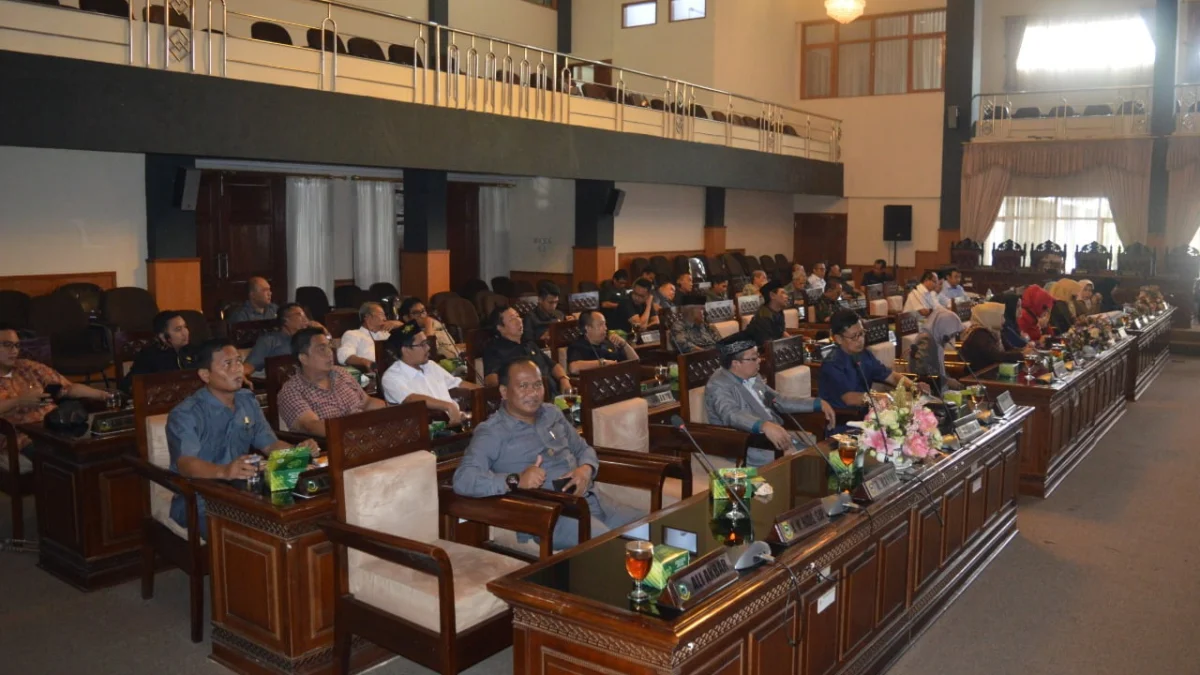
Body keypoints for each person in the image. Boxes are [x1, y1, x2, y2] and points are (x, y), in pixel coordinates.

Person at [452, 359, 643, 549]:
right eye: (523, 386)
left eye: (537, 385)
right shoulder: (492, 431)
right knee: (610, 546)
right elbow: (463, 479)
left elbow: (584, 449)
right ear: (504, 392)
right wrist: (515, 479)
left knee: (646, 527)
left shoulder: (552, 413)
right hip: (551, 515)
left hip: (589, 500)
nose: (533, 393)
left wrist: (585, 469)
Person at [166, 339, 318, 536]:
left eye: (238, 361)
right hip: (201, 500)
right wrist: (225, 471)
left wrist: (298, 451)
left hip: (245, 492)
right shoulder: (187, 413)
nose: (237, 369)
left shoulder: (247, 401)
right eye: (227, 364)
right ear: (205, 375)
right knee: (258, 536)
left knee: (306, 512)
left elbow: (270, 444)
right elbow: (185, 463)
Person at [704, 332, 835, 467]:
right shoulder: (718, 385)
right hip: (748, 445)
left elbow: (778, 400)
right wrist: (763, 425)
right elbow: (731, 415)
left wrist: (817, 403)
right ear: (736, 363)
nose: (759, 360)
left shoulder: (753, 376)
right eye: (754, 358)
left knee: (827, 457)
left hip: (774, 436)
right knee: (811, 466)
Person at [0, 323, 115, 457]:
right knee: (64, 456)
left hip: (56, 428)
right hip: (22, 438)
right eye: (7, 345)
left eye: (17, 345)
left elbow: (69, 388)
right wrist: (19, 401)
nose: (14, 351)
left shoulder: (27, 367)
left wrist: (103, 395)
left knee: (101, 446)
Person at [278, 328, 386, 436]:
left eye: (329, 346)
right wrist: (355, 428)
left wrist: (393, 411)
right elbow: (312, 426)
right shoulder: (292, 391)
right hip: (333, 446)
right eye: (322, 349)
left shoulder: (341, 373)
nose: (330, 352)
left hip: (366, 436)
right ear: (303, 358)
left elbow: (367, 402)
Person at [818, 310, 928, 409]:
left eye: (861, 333)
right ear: (838, 338)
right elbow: (849, 398)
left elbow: (891, 376)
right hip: (843, 421)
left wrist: (913, 386)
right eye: (854, 337)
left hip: (867, 415)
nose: (860, 340)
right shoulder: (832, 363)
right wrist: (877, 397)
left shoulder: (864, 354)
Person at [380, 322, 472, 424]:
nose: (428, 348)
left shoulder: (430, 365)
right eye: (422, 344)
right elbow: (411, 398)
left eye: (426, 343)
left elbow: (458, 384)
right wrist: (448, 406)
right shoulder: (391, 377)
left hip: (457, 421)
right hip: (427, 431)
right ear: (405, 350)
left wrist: (484, 392)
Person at [482, 306, 571, 395]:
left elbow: (553, 365)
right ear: (500, 328)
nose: (519, 321)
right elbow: (491, 379)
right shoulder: (495, 350)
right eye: (512, 319)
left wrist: (564, 379)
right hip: (528, 399)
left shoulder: (529, 343)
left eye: (518, 316)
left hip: (554, 394)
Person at [120, 310, 195, 394]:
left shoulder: (192, 351)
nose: (185, 332)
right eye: (178, 329)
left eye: (185, 327)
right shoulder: (149, 356)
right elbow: (129, 385)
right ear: (163, 337)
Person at [244, 303, 321, 374]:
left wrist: (323, 331)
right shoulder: (269, 341)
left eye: (305, 316)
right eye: (299, 315)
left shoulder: (308, 340)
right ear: (286, 320)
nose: (305, 319)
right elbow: (249, 366)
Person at [959, 302, 1027, 373]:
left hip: (992, 372)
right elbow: (996, 356)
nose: (1004, 320)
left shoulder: (995, 331)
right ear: (991, 317)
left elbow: (1009, 348)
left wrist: (1023, 350)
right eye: (1001, 316)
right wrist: (1022, 354)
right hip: (979, 376)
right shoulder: (979, 335)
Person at [908, 308, 965, 392]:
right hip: (927, 390)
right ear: (944, 326)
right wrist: (947, 381)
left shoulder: (935, 337)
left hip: (936, 387)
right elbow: (922, 370)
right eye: (951, 334)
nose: (951, 337)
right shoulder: (926, 340)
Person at [567, 309, 640, 374]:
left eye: (605, 324)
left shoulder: (610, 342)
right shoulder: (578, 346)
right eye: (601, 325)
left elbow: (636, 361)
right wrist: (603, 363)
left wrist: (624, 344)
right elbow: (574, 368)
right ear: (587, 328)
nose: (605, 328)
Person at [337, 302, 401, 370]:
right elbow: (344, 356)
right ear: (368, 317)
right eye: (381, 315)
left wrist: (400, 325)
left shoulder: (386, 334)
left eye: (385, 315)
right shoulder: (353, 334)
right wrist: (366, 362)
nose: (385, 319)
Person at [398, 297, 458, 361]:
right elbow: (430, 353)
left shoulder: (434, 323)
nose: (422, 315)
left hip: (455, 359)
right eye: (416, 313)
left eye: (423, 311)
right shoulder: (409, 332)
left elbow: (450, 344)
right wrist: (428, 324)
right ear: (406, 318)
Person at [745, 281, 789, 346]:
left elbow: (782, 332)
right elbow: (767, 344)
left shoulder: (779, 311)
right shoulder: (763, 316)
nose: (787, 296)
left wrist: (795, 342)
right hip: (756, 350)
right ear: (772, 295)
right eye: (783, 293)